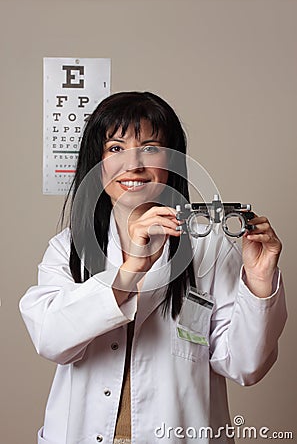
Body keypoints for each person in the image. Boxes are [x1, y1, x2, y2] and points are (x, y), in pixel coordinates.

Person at [20, 91, 287, 444]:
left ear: (172, 161)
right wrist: (131, 269)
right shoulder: (69, 249)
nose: (133, 165)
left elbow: (244, 366)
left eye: (150, 147)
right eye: (116, 148)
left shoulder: (209, 248)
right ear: (97, 164)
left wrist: (259, 278)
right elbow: (52, 340)